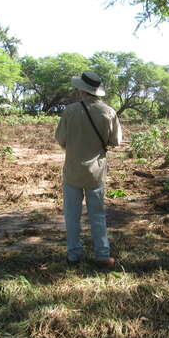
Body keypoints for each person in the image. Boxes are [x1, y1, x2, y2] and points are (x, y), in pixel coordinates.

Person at [55, 71, 122, 267]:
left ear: (81, 90)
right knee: (98, 215)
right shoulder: (109, 112)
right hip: (96, 173)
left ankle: (73, 255)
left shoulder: (69, 111)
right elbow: (116, 141)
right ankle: (102, 255)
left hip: (73, 171)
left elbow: (61, 139)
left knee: (72, 216)